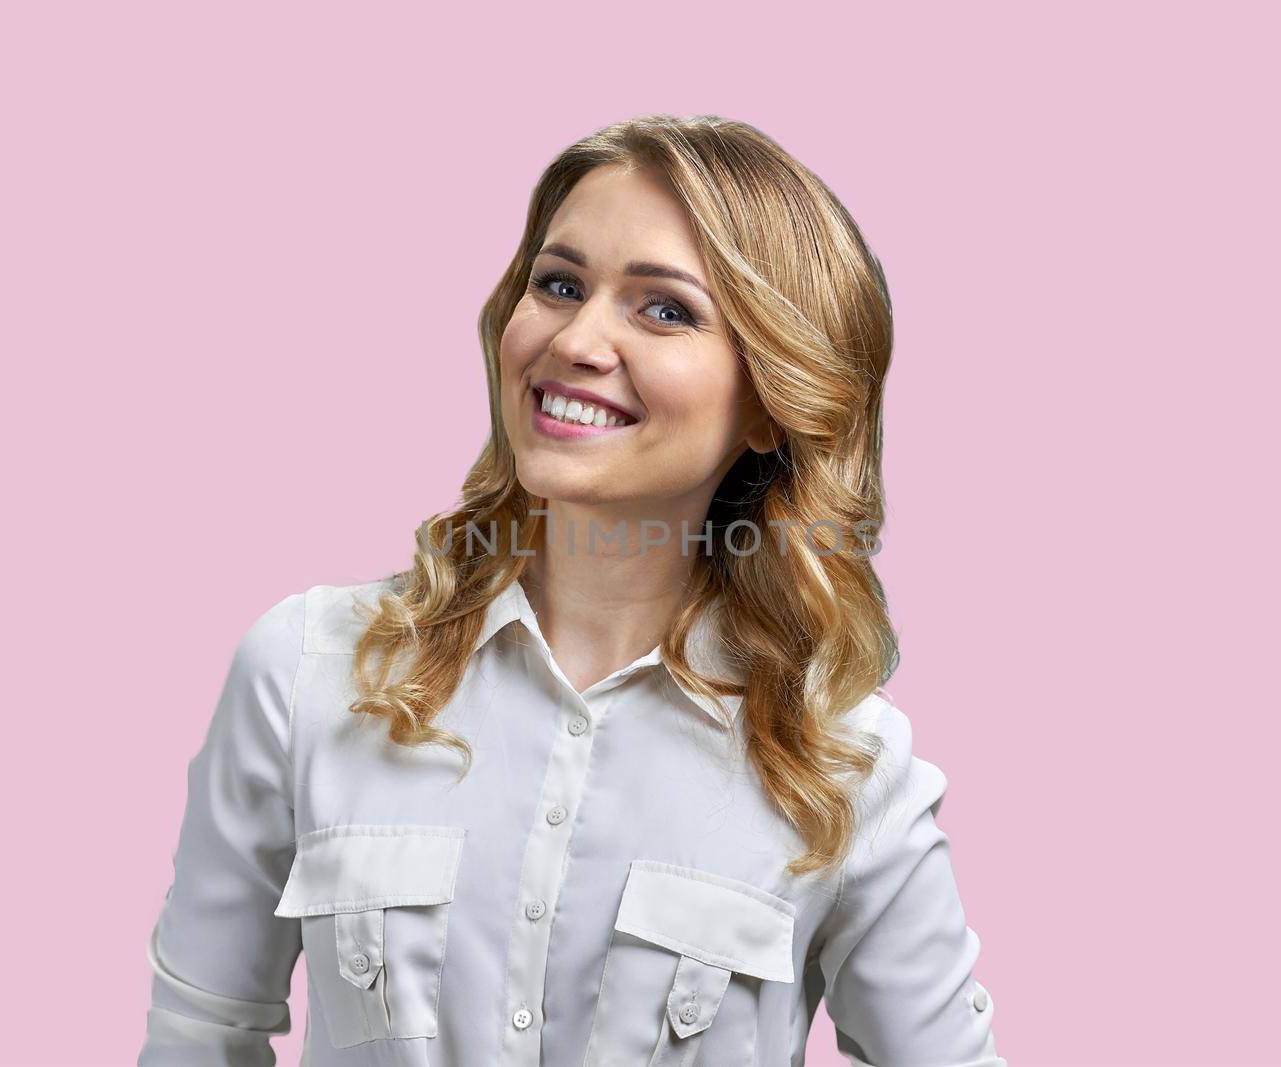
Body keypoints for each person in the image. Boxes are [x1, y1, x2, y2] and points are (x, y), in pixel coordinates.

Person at [139, 114, 1006, 1067]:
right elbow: (198, 1040)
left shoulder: (842, 763)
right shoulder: (307, 669)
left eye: (664, 309)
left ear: (769, 402)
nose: (578, 338)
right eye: (558, 285)